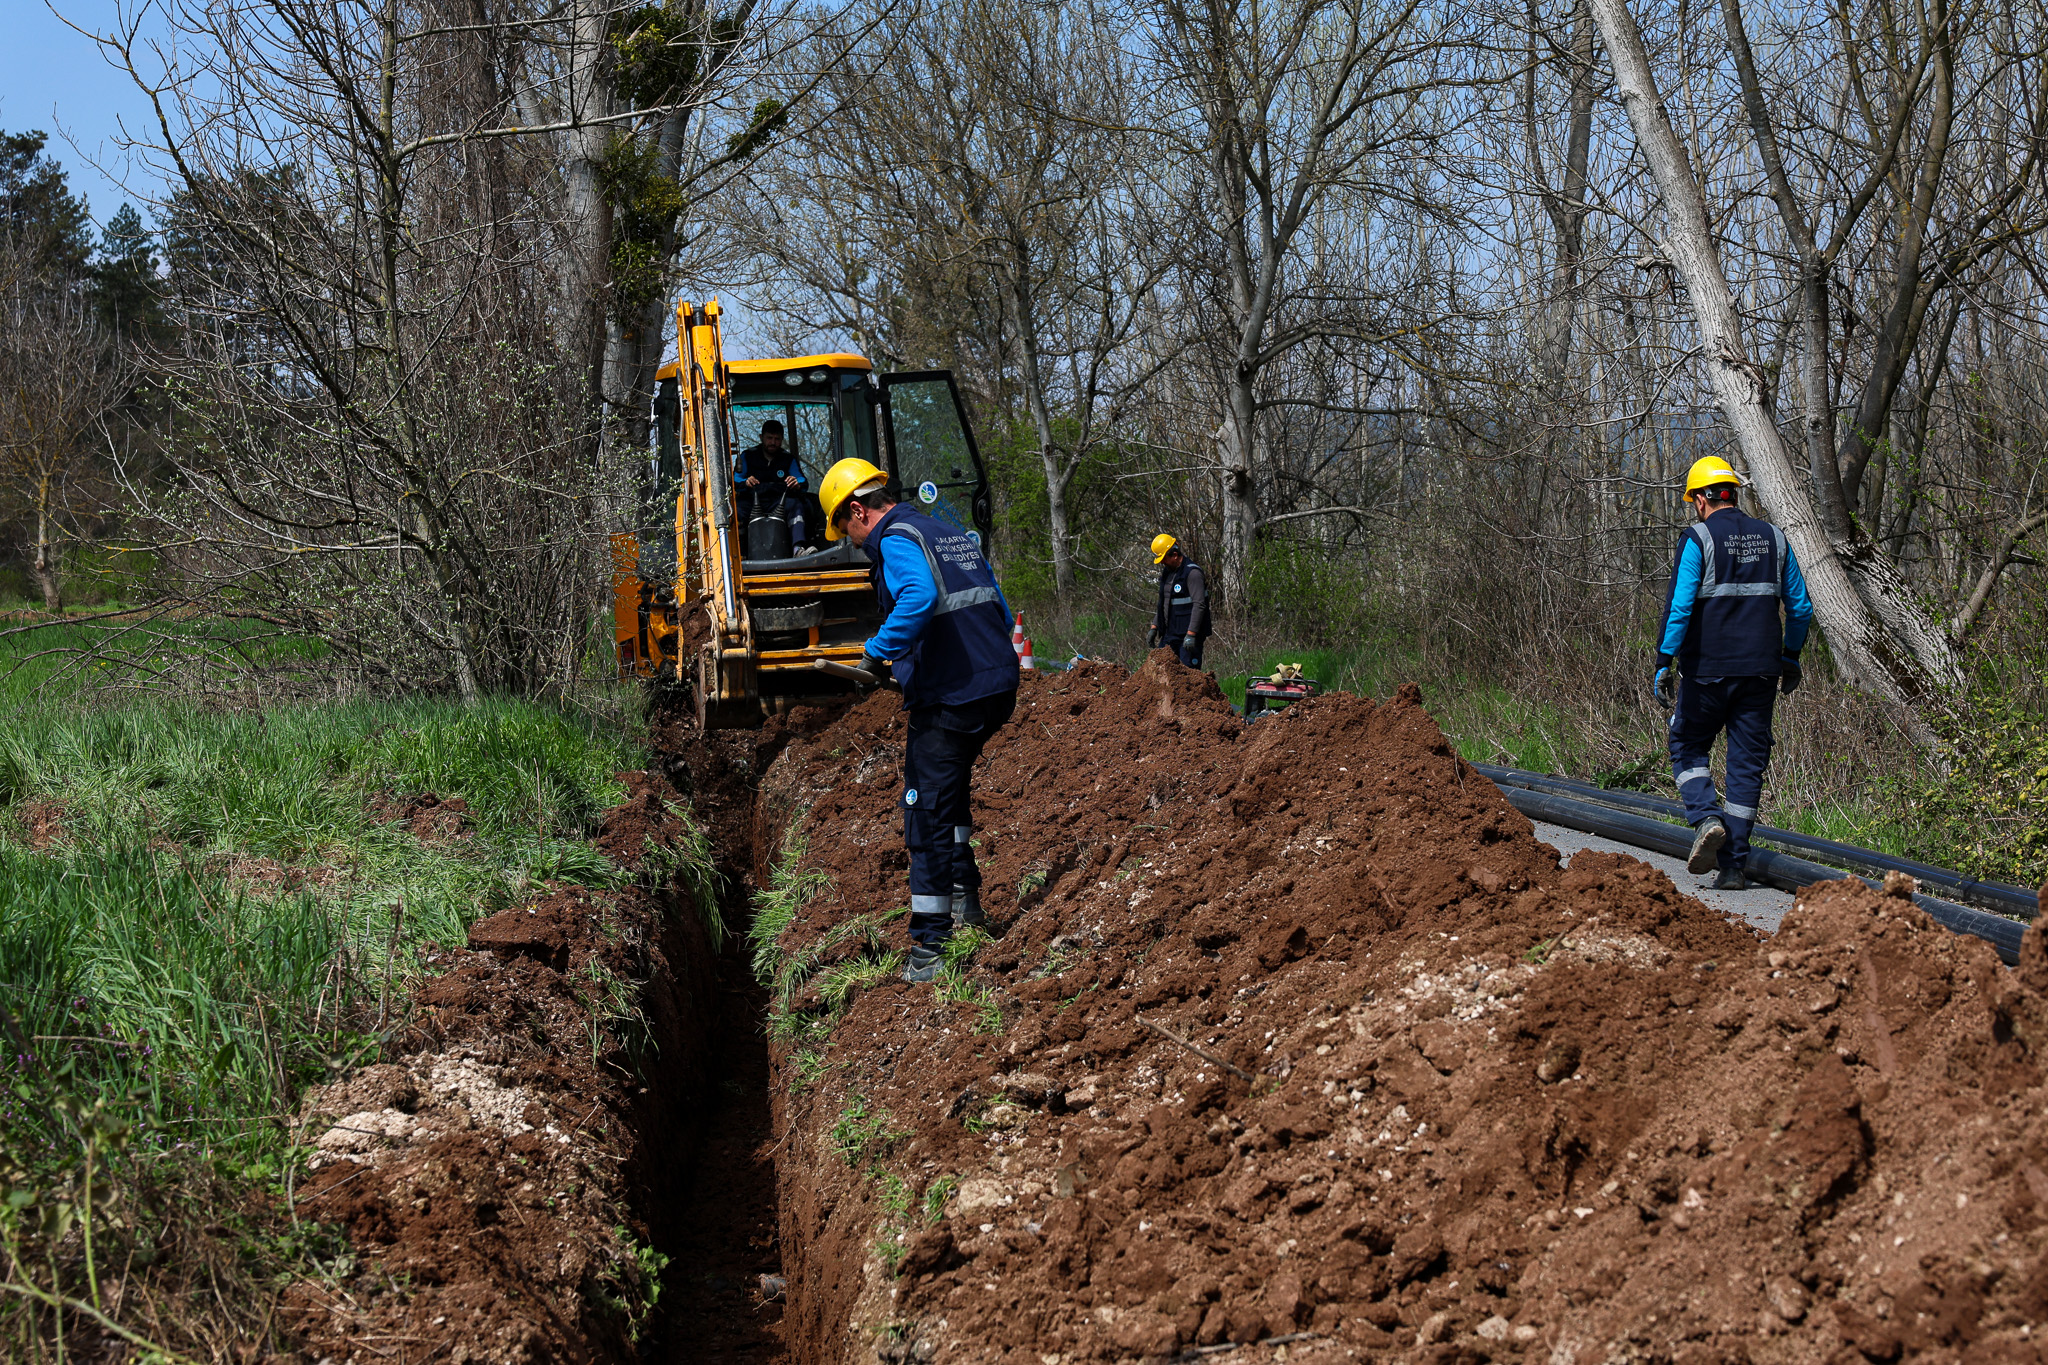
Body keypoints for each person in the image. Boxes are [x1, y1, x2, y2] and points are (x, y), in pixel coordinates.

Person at [819, 457, 1021, 984]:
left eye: (846, 529)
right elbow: (998, 609)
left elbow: (919, 596)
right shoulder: (943, 530)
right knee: (948, 795)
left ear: (857, 511)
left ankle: (930, 949)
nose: (852, 541)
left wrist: (878, 650)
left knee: (926, 810)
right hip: (996, 686)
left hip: (953, 696)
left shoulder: (893, 539)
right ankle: (965, 902)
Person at [1653, 456, 1815, 890]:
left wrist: (1663, 662)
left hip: (1707, 672)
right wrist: (1791, 657)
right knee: (1746, 766)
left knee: (1686, 745)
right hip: (1762, 673)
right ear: (1732, 493)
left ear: (1703, 498)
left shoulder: (1698, 538)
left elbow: (1681, 607)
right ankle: (1732, 868)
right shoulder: (1775, 538)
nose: (1696, 509)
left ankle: (1706, 818)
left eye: (1695, 501)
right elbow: (1800, 608)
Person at [736, 420, 808, 545]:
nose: (773, 442)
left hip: (779, 501)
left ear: (782, 440)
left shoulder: (788, 459)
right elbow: (736, 479)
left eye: (777, 439)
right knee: (737, 510)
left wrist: (796, 483)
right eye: (769, 438)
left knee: (796, 505)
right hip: (752, 501)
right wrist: (746, 482)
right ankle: (740, 553)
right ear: (761, 438)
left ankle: (798, 548)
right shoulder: (747, 456)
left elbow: (802, 480)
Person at [1146, 533, 1211, 668]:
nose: (1162, 562)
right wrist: (1154, 626)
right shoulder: (1167, 573)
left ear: (1175, 555)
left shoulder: (1193, 573)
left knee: (1188, 675)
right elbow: (1164, 603)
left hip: (1187, 635)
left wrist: (1191, 634)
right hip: (1170, 634)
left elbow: (1199, 605)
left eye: (1164, 558)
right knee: (1160, 670)